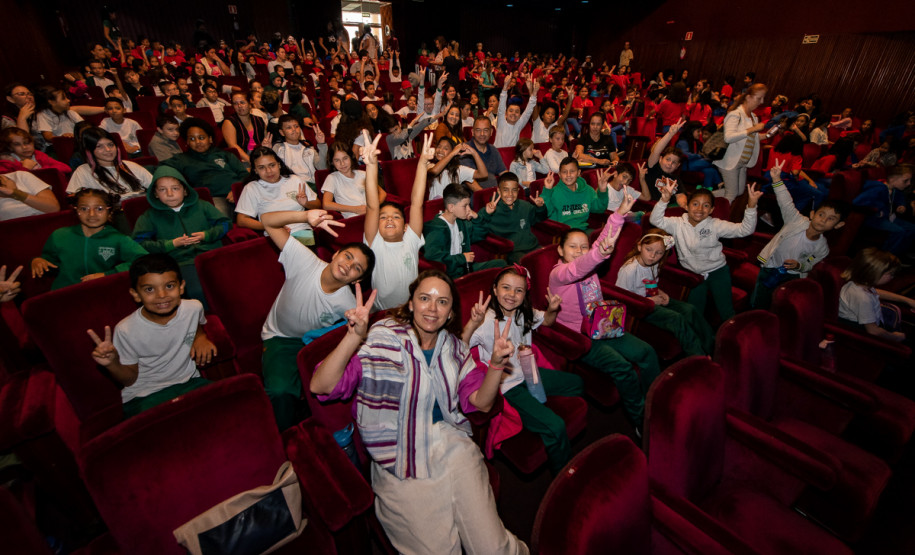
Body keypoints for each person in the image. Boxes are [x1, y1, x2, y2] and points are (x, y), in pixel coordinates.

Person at [311, 272, 528, 554]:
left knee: (495, 549)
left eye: (442, 302)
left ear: (450, 312)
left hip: (453, 447)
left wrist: (497, 364)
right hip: (397, 454)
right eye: (424, 298)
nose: (432, 308)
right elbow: (321, 385)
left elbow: (482, 403)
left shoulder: (455, 348)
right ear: (411, 303)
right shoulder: (381, 338)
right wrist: (354, 337)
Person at [550, 196, 660, 432]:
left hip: (603, 323)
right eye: (572, 247)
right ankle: (642, 420)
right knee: (624, 368)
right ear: (559, 249)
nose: (580, 252)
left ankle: (655, 404)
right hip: (579, 334)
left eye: (584, 247)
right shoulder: (558, 273)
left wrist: (619, 214)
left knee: (647, 352)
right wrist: (598, 254)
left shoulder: (588, 260)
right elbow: (579, 267)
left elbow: (602, 240)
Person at [258, 207, 373, 430]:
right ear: (335, 254)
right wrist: (304, 216)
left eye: (356, 268)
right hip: (281, 336)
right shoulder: (304, 260)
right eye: (347, 256)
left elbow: (360, 339)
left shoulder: (348, 303)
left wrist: (355, 326)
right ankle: (283, 433)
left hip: (314, 342)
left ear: (356, 280)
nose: (348, 265)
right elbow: (267, 221)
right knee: (280, 391)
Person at [464, 265, 583, 472]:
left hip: (529, 372)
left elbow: (545, 320)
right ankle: (563, 474)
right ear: (495, 289)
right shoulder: (485, 321)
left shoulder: (522, 312)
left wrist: (553, 310)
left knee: (578, 383)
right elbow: (459, 347)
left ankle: (542, 405)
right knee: (556, 427)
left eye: (518, 290)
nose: (512, 295)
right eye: (506, 288)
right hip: (509, 386)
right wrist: (472, 324)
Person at [86, 254, 214, 417]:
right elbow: (129, 379)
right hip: (144, 395)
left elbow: (194, 323)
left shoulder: (194, 308)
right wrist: (112, 363)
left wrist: (200, 337)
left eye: (169, 286)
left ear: (181, 287)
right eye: (149, 289)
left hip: (190, 382)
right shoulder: (125, 330)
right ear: (135, 294)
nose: (161, 295)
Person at [650, 183, 760, 322]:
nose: (700, 209)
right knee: (695, 314)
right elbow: (655, 219)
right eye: (695, 204)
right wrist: (664, 200)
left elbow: (745, 230)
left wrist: (751, 206)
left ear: (712, 209)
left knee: (726, 312)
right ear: (687, 206)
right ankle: (701, 341)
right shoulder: (677, 223)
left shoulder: (715, 224)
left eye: (706, 205)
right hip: (693, 275)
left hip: (717, 271)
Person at [752, 160, 847, 309]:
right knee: (759, 300)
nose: (823, 220)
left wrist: (799, 265)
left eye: (831, 219)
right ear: (812, 213)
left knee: (780, 304)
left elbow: (810, 263)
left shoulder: (822, 248)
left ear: (838, 225)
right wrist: (776, 179)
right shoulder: (796, 220)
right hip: (769, 266)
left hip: (791, 276)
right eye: (821, 214)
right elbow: (786, 201)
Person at [132, 166, 230, 306]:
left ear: (185, 190)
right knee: (198, 292)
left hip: (212, 254)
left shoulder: (202, 206)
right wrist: (170, 244)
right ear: (155, 193)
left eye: (175, 188)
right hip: (182, 262)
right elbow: (139, 244)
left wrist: (207, 235)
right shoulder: (150, 216)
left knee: (231, 284)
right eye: (162, 189)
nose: (170, 193)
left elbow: (225, 224)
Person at [616, 230, 715, 356]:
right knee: (676, 318)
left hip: (651, 298)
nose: (652, 256)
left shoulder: (654, 264)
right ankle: (698, 355)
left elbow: (650, 283)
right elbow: (623, 299)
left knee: (690, 309)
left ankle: (711, 346)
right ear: (640, 246)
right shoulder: (629, 270)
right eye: (649, 250)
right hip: (640, 307)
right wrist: (650, 301)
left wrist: (662, 293)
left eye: (658, 253)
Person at [31, 188, 148, 290]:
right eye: (84, 209)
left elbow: (144, 260)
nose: (92, 214)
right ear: (76, 211)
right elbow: (49, 262)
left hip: (99, 291)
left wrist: (108, 274)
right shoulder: (59, 235)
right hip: (64, 293)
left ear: (110, 212)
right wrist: (38, 261)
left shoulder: (118, 239)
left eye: (99, 209)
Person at [362, 131, 428, 309]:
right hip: (382, 313)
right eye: (383, 218)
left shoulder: (411, 240)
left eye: (396, 216)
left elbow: (416, 203)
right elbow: (372, 206)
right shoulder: (374, 242)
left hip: (410, 309)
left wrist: (422, 164)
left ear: (406, 227)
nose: (389, 220)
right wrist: (371, 166)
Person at [163, 118, 248, 217]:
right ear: (187, 142)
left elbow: (244, 175)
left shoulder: (225, 154)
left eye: (201, 137)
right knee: (218, 217)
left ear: (210, 139)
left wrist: (237, 190)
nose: (198, 142)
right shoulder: (181, 159)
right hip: (215, 199)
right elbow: (157, 168)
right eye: (192, 139)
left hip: (240, 193)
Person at [235, 146, 320, 242]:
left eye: (272, 165)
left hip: (303, 231)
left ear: (279, 165)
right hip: (275, 236)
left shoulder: (294, 180)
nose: (268, 171)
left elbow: (318, 204)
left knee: (309, 250)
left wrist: (306, 203)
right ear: (255, 170)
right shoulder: (252, 188)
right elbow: (241, 220)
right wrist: (271, 225)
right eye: (261, 167)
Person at [423, 182, 507, 277]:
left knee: (501, 264)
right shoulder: (436, 228)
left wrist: (478, 217)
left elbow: (479, 235)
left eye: (469, 205)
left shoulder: (461, 222)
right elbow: (433, 258)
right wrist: (462, 258)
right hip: (449, 274)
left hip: (465, 267)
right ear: (451, 207)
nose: (469, 209)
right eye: (465, 206)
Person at [839, 248, 913, 342]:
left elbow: (874, 292)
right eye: (890, 274)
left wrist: (907, 300)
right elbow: (873, 331)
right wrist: (896, 337)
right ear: (873, 273)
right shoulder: (863, 298)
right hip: (861, 332)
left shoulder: (858, 284)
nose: (893, 277)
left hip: (870, 322)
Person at [477, 172, 547, 263]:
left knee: (549, 259)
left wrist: (540, 207)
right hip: (513, 252)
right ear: (499, 191)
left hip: (533, 246)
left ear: (518, 191)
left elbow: (539, 218)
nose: (510, 194)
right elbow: (478, 228)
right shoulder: (491, 210)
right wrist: (485, 213)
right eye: (505, 190)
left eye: (514, 190)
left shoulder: (525, 205)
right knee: (528, 265)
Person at [714, 83, 767, 202]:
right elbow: (729, 137)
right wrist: (753, 129)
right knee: (731, 194)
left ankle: (703, 196)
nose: (762, 102)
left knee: (738, 191)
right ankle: (721, 218)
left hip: (742, 162)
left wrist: (766, 135)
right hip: (730, 161)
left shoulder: (753, 116)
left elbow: (750, 137)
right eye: (759, 98)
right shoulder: (735, 115)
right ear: (748, 97)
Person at [853, 164, 914, 258]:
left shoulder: (894, 189)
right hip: (874, 218)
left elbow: (899, 197)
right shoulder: (879, 188)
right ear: (893, 179)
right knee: (899, 231)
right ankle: (884, 257)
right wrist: (877, 208)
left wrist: (901, 204)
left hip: (888, 217)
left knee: (912, 228)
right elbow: (858, 201)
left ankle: (899, 254)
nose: (909, 183)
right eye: (905, 181)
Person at [541, 157, 610, 232]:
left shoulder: (588, 190)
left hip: (583, 230)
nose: (568, 175)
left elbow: (600, 209)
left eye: (572, 171)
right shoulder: (553, 192)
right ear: (559, 174)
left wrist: (602, 191)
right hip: (563, 232)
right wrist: (547, 191)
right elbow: (545, 213)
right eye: (564, 172)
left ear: (578, 172)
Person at [323, 141, 384, 218]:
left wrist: (373, 207)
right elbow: (326, 204)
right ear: (332, 162)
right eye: (337, 160)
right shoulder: (332, 178)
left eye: (345, 158)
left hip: (373, 214)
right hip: (353, 217)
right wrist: (355, 209)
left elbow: (382, 193)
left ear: (351, 157)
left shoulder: (363, 174)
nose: (342, 164)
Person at [641, 118, 686, 203]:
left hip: (671, 210)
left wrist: (684, 207)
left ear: (677, 166)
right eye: (668, 159)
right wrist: (670, 134)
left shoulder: (676, 179)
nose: (670, 164)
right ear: (660, 159)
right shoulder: (653, 169)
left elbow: (681, 195)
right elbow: (656, 152)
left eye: (674, 162)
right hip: (654, 207)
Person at [272, 115, 327, 185]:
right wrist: (267, 149)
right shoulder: (278, 148)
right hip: (288, 185)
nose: (294, 129)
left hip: (310, 184)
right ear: (282, 132)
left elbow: (322, 168)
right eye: (289, 127)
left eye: (296, 126)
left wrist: (322, 144)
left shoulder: (309, 148)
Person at [0, 127, 71, 174]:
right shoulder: (7, 162)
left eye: (27, 143)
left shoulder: (39, 155)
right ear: (10, 147)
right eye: (17, 144)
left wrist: (41, 170)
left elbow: (66, 168)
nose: (24, 147)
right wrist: (25, 168)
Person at [461, 117, 506, 189]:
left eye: (486, 130)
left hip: (493, 191)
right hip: (473, 195)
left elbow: (503, 173)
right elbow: (468, 180)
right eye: (478, 130)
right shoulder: (465, 150)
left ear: (491, 132)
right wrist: (484, 195)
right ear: (472, 132)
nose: (482, 134)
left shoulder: (493, 149)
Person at [493, 76, 538, 148]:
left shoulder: (518, 125)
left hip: (513, 157)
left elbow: (528, 111)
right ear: (506, 114)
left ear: (520, 115)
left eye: (517, 112)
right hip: (499, 155)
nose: (514, 113)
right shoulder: (501, 122)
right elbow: (501, 106)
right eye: (511, 111)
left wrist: (534, 92)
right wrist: (505, 87)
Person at [222, 92, 266, 163]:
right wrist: (251, 161)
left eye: (242, 102)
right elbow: (233, 146)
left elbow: (265, 140)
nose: (239, 106)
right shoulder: (229, 122)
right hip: (240, 158)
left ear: (249, 104)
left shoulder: (259, 120)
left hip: (258, 155)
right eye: (235, 103)